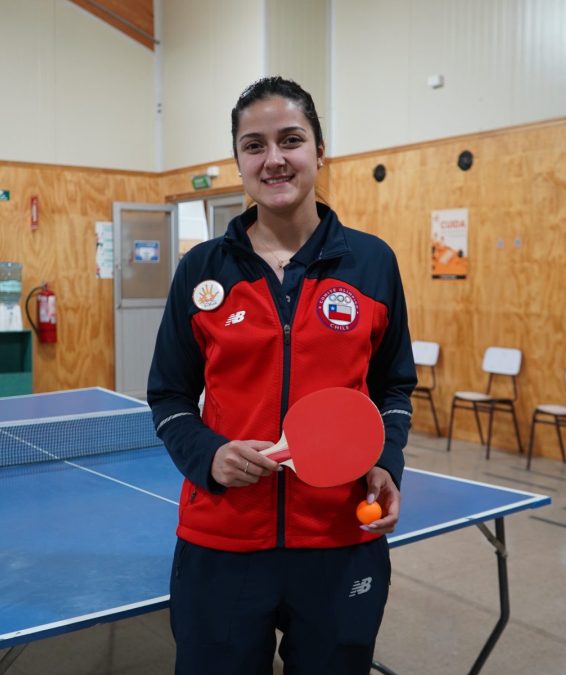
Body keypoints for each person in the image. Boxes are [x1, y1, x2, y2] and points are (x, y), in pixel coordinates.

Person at [147, 76, 416, 675]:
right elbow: (167, 395)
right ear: (239, 160)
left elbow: (393, 386)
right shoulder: (201, 269)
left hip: (341, 538)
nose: (274, 159)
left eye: (290, 140)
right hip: (221, 541)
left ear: (320, 151)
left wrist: (386, 460)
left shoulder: (372, 263)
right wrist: (208, 456)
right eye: (254, 145)